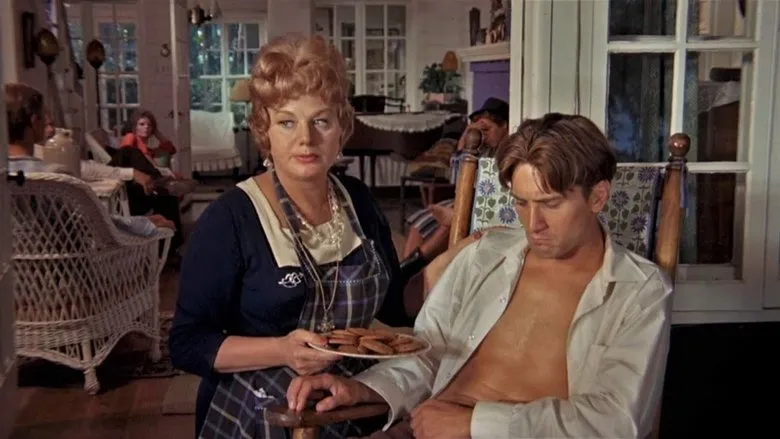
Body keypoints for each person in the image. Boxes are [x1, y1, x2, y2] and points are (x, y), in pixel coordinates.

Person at [287, 113, 674, 439]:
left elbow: (615, 421)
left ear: (598, 197)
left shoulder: (638, 291)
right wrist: (361, 389)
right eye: (521, 203)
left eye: (550, 204)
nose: (533, 223)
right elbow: (428, 354)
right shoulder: (484, 255)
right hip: (422, 429)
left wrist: (473, 423)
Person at [168, 34, 478, 439]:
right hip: (261, 412)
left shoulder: (359, 202)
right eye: (287, 122)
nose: (306, 139)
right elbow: (188, 344)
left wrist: (454, 257)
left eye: (321, 121)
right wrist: (282, 350)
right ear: (264, 130)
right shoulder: (230, 219)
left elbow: (393, 306)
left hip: (349, 398)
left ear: (341, 127)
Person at [5, 83, 174, 236]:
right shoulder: (55, 177)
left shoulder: (6, 174)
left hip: (18, 258)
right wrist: (145, 224)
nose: (51, 129)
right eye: (45, 120)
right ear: (34, 121)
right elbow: (93, 225)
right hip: (72, 256)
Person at [402, 97, 509, 259]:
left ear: (505, 126)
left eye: (487, 129)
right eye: (480, 130)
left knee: (450, 222)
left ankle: (410, 267)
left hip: (484, 204)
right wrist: (467, 137)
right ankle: (405, 268)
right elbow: (456, 179)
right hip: (466, 198)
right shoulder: (483, 150)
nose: (483, 135)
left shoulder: (509, 152)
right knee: (418, 224)